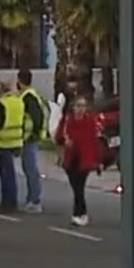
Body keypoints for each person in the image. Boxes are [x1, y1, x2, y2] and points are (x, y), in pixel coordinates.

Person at [56, 93, 100, 226]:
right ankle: (81, 213)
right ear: (73, 107)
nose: (81, 109)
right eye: (78, 106)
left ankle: (79, 213)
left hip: (84, 159)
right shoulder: (67, 120)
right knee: (75, 187)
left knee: (79, 187)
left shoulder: (90, 121)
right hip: (70, 159)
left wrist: (97, 161)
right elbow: (58, 136)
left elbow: (94, 141)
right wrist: (65, 141)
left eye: (83, 106)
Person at [0, 78, 28, 213]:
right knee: (11, 173)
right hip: (16, 141)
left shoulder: (1, 104)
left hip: (3, 142)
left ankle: (7, 203)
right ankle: (12, 201)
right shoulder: (19, 102)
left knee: (5, 173)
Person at [17, 69, 50, 214]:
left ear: (19, 80)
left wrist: (33, 133)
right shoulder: (30, 94)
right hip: (29, 137)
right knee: (28, 168)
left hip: (30, 138)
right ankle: (31, 198)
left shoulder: (28, 96)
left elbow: (36, 117)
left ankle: (35, 201)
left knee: (31, 169)